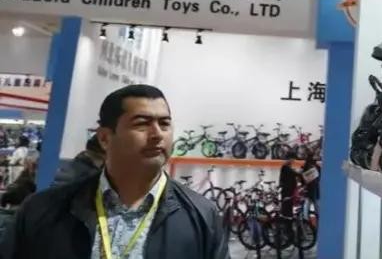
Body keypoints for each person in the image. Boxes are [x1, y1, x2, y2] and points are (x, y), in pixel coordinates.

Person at [0, 84, 229, 259]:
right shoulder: (44, 210)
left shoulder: (201, 215)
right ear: (105, 138)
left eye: (165, 124)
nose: (157, 134)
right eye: (142, 123)